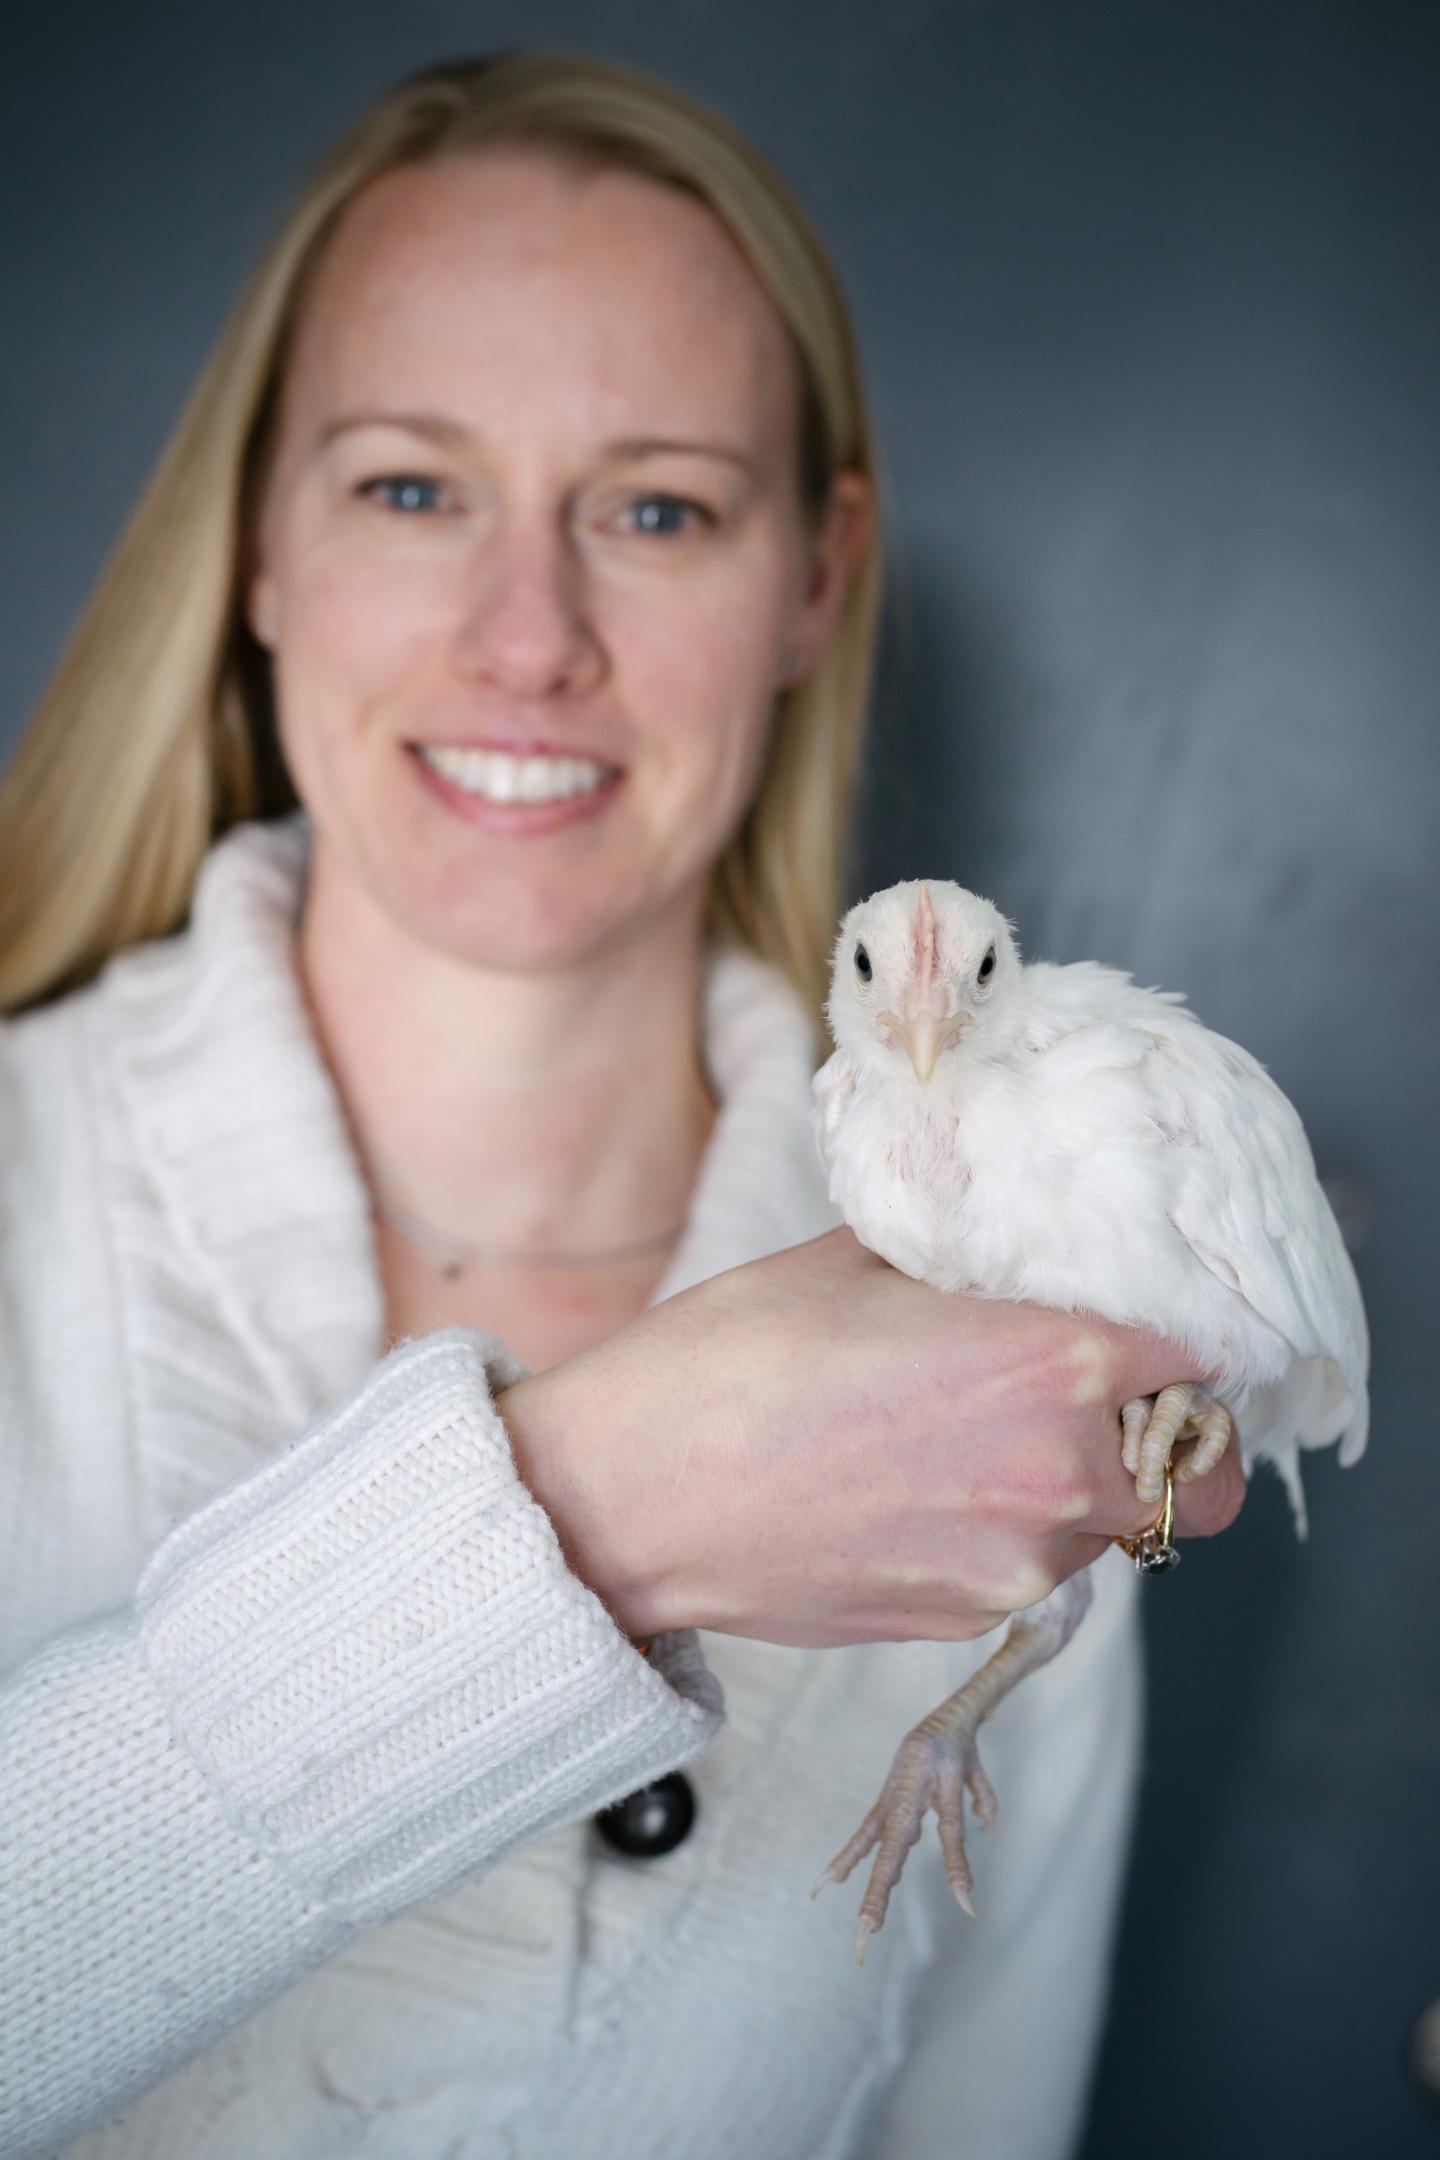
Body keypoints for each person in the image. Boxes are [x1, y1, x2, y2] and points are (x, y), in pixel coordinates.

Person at [0, 50, 1243, 2160]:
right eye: (413, 487)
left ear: (815, 582)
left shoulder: (1030, 1354)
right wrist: (586, 1512)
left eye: (657, 508)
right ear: (260, 550)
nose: (527, 638)